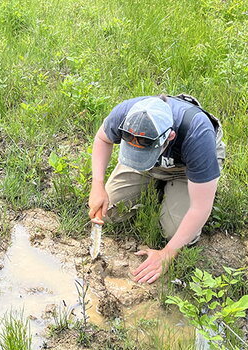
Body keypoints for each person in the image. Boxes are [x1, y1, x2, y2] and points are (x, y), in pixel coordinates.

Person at [88, 95, 225, 284]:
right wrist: (98, 185)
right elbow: (102, 139)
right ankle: (156, 184)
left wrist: (167, 254)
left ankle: (174, 190)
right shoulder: (126, 114)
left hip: (185, 170)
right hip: (149, 165)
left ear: (169, 137)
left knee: (174, 233)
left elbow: (200, 208)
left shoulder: (198, 135)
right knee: (109, 211)